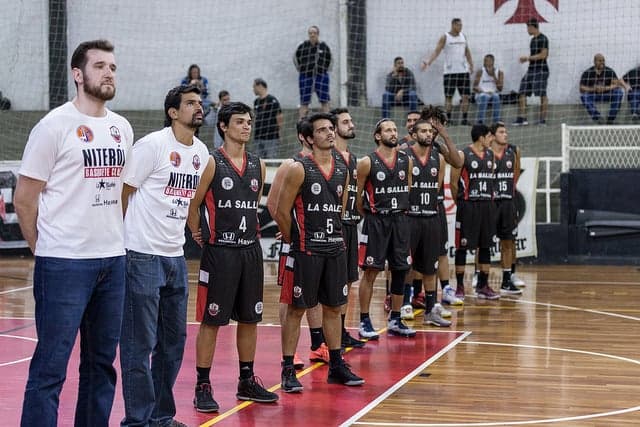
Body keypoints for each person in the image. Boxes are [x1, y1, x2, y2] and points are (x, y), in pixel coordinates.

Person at [14, 39, 134, 427]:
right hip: (64, 263)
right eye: (100, 66)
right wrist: (43, 248)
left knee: (101, 364)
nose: (109, 73)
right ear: (78, 75)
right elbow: (24, 199)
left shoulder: (122, 128)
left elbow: (122, 194)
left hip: (113, 262)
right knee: (51, 365)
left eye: (113, 67)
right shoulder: (53, 127)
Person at [119, 84, 210, 427]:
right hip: (141, 255)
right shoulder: (153, 145)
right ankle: (138, 420)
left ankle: (160, 416)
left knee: (172, 345)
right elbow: (123, 193)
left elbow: (188, 202)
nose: (198, 108)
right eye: (190, 103)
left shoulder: (200, 151)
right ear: (173, 112)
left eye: (200, 103)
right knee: (138, 346)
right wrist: (122, 242)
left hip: (175, 258)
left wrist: (196, 230)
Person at [188, 102, 278, 412]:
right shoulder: (212, 162)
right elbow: (194, 204)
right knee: (212, 320)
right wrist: (199, 234)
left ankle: (246, 380)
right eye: (240, 122)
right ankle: (202, 383)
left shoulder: (258, 164)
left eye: (249, 122)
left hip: (250, 251)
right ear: (224, 126)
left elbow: (254, 205)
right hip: (220, 252)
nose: (246, 127)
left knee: (250, 318)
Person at [274, 113, 364, 392]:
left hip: (335, 247)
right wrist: (297, 238)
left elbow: (343, 209)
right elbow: (279, 210)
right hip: (306, 250)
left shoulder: (344, 168)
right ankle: (288, 369)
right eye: (322, 130)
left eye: (330, 129)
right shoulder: (298, 168)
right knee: (296, 309)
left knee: (335, 307)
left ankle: (336, 364)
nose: (329, 133)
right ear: (309, 138)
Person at [267, 119, 324, 368]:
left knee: (317, 294)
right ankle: (288, 352)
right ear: (305, 137)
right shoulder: (291, 165)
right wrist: (289, 231)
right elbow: (273, 204)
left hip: (319, 242)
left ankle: (317, 345)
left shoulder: (325, 166)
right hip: (296, 242)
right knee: (289, 297)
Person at [356, 119, 415, 339]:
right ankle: (364, 320)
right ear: (378, 136)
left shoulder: (405, 160)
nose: (393, 133)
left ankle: (396, 318)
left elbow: (407, 187)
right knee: (371, 271)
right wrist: (372, 216)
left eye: (394, 129)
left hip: (400, 221)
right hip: (376, 222)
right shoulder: (366, 162)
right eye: (388, 130)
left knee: (401, 270)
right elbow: (358, 198)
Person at [404, 119, 452, 327]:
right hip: (410, 217)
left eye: (430, 131)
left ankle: (431, 309)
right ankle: (405, 303)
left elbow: (437, 188)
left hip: (431, 216)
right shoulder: (404, 156)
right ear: (414, 135)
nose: (428, 134)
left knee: (431, 267)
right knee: (406, 264)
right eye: (423, 131)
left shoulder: (439, 158)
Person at [420, 106, 465, 305]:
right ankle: (410, 294)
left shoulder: (438, 147)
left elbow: (456, 162)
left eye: (437, 126)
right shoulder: (407, 147)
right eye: (431, 124)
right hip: (413, 209)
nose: (433, 129)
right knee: (414, 254)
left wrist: (445, 136)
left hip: (436, 207)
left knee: (441, 250)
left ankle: (446, 288)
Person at [450, 124, 500, 301]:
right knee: (462, 247)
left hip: (487, 205)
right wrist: (462, 203)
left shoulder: (490, 155)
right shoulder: (464, 155)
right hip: (468, 206)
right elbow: (453, 183)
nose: (491, 139)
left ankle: (483, 285)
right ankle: (460, 286)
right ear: (481, 137)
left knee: (485, 245)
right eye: (489, 136)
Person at [331, 107, 366, 349]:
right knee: (333, 285)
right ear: (334, 129)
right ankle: (324, 336)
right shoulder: (327, 157)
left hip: (351, 224)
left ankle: (341, 331)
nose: (351, 124)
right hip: (333, 226)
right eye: (346, 121)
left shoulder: (353, 159)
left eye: (351, 121)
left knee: (348, 281)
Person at [490, 122, 523, 295]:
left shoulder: (514, 151)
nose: (505, 134)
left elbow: (516, 173)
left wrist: (507, 191)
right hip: (491, 203)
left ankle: (507, 279)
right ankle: (480, 275)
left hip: (508, 202)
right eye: (501, 132)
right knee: (484, 242)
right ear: (493, 135)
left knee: (508, 242)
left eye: (506, 132)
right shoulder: (486, 153)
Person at [421, 18, 474, 125]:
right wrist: (428, 62)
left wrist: (471, 64)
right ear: (453, 25)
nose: (460, 27)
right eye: (458, 25)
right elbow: (437, 51)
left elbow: (467, 51)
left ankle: (464, 119)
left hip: (463, 72)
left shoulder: (463, 37)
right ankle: (448, 119)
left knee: (465, 96)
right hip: (450, 73)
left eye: (461, 25)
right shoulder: (445, 37)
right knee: (449, 96)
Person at [513, 18, 549, 126]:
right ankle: (522, 118)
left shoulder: (543, 38)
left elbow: (544, 55)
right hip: (531, 69)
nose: (527, 30)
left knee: (542, 94)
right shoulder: (533, 40)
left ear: (532, 27)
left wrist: (527, 58)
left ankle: (542, 120)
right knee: (522, 92)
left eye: (527, 28)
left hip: (541, 70)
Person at [294, 26, 332, 118]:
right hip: (306, 76)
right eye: (310, 33)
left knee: (325, 100)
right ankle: (301, 122)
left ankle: (328, 121)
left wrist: (324, 70)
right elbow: (296, 58)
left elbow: (330, 60)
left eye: (314, 33)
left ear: (318, 34)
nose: (312, 35)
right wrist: (301, 69)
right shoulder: (302, 46)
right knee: (304, 101)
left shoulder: (324, 46)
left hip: (321, 76)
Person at [579, 54, 625, 124]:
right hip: (594, 95)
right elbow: (581, 88)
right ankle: (597, 117)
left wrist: (605, 88)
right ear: (594, 61)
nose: (602, 62)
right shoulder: (588, 72)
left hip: (607, 94)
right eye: (600, 60)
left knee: (619, 92)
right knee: (584, 96)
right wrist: (594, 89)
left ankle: (611, 118)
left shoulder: (609, 71)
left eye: (603, 60)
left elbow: (617, 84)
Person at [252, 78, 283, 158]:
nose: (253, 89)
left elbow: (279, 116)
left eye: (254, 87)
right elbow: (255, 117)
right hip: (258, 137)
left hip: (271, 137)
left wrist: (279, 132)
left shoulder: (272, 100)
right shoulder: (256, 101)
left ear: (260, 86)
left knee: (271, 160)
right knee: (258, 161)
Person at [473, 54, 504, 125]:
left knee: (496, 96)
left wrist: (493, 76)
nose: (485, 63)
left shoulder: (499, 72)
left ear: (492, 62)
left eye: (487, 61)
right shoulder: (480, 72)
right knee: (484, 96)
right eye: (485, 61)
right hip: (482, 93)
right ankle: (480, 121)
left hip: (493, 93)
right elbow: (474, 87)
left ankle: (497, 121)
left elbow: (500, 88)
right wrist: (483, 91)